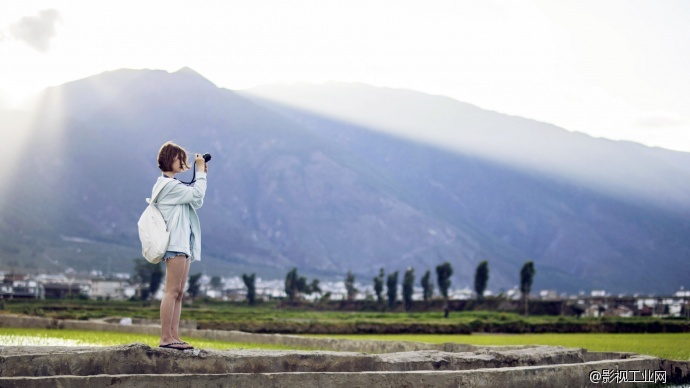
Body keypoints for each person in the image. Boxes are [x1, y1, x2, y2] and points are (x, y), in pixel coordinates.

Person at [153, 141, 208, 350]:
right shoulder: (168, 186)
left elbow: (197, 201)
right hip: (175, 243)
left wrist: (202, 174)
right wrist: (200, 172)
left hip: (183, 243)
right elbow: (197, 194)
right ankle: (165, 337)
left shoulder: (174, 186)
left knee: (178, 292)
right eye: (179, 158)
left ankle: (173, 335)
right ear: (170, 159)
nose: (183, 162)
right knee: (171, 290)